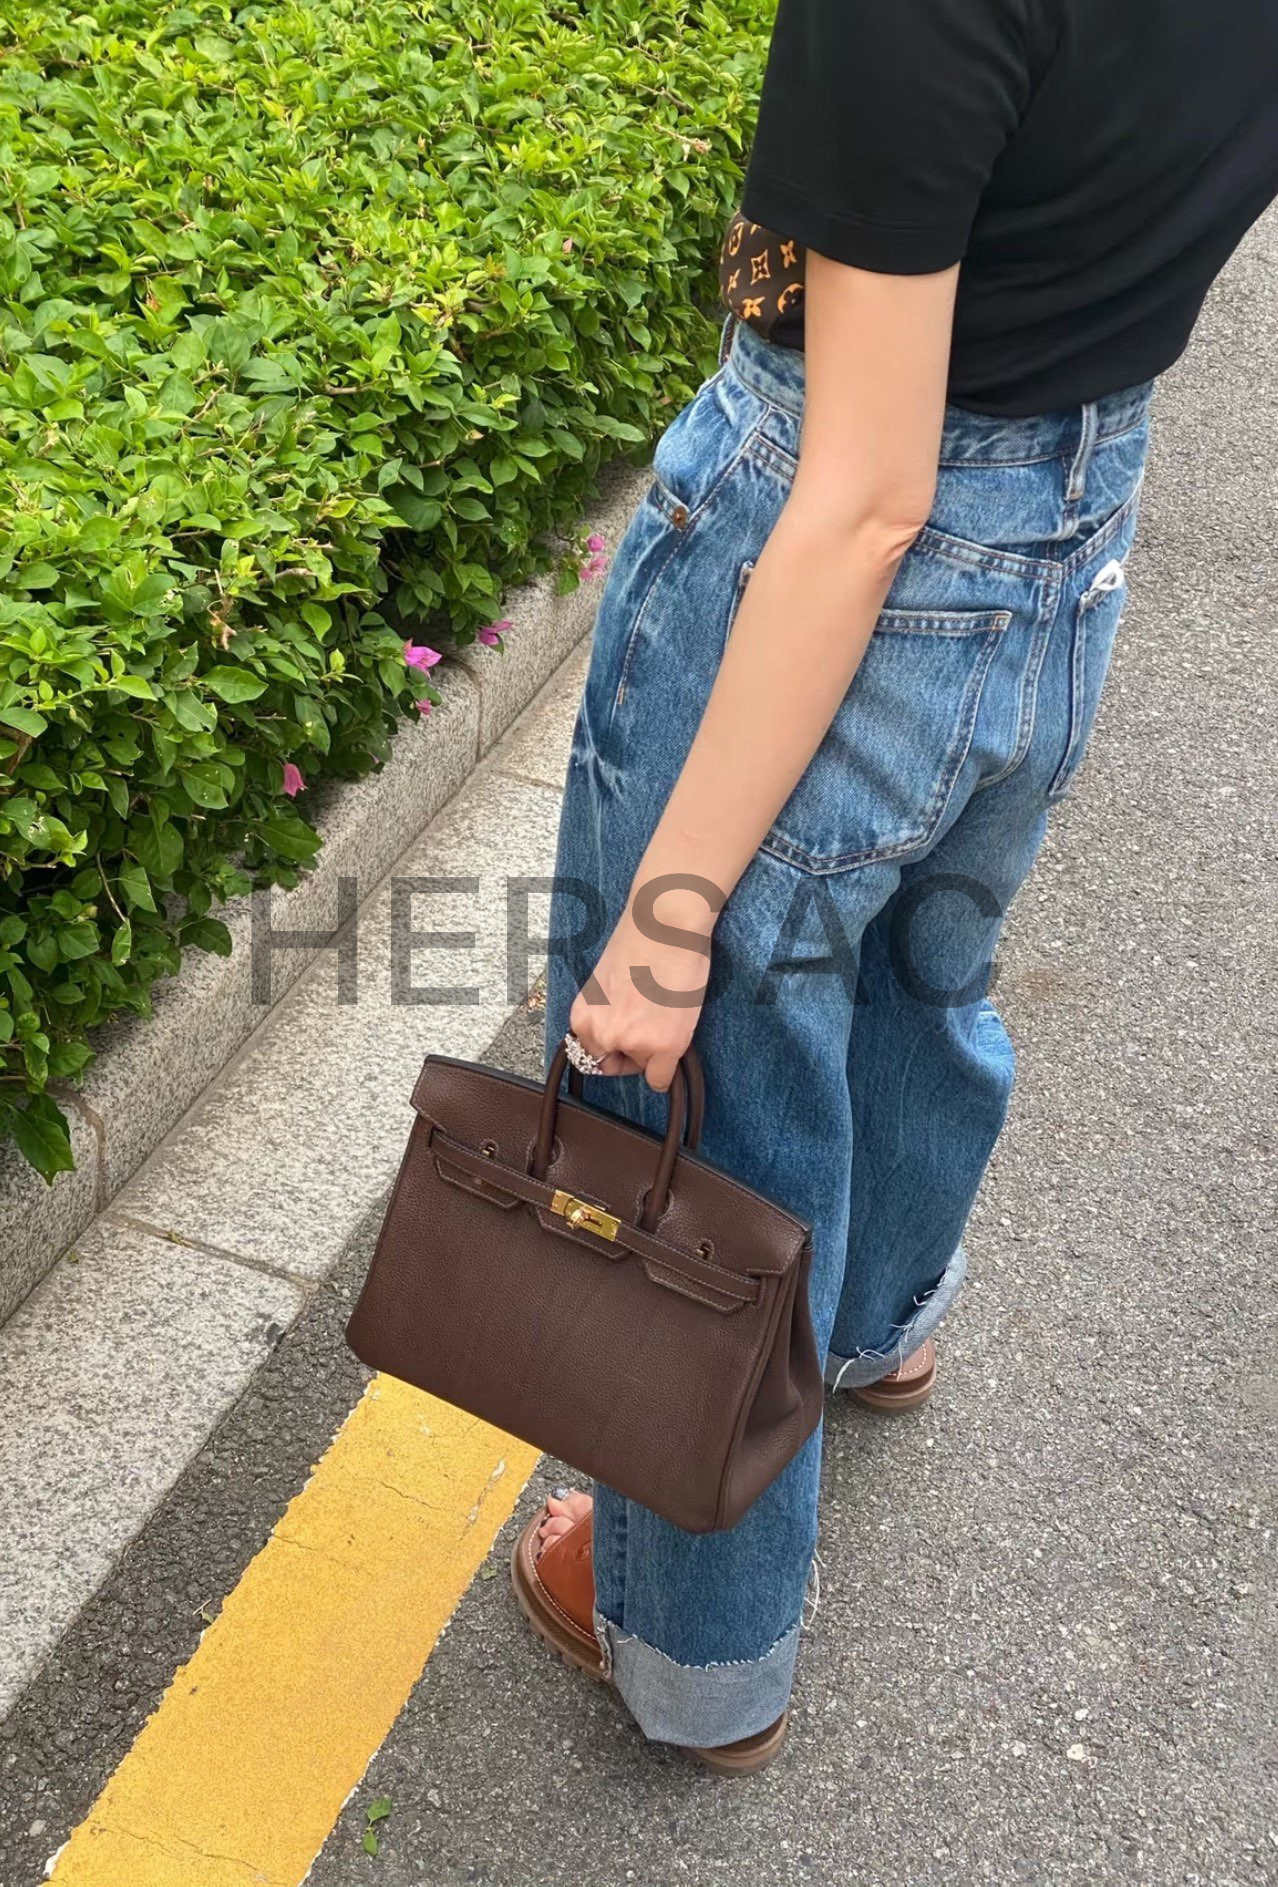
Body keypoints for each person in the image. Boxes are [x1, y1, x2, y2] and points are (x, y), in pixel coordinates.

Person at [511, 0, 1278, 1773]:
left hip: (839, 542)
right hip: (1080, 511)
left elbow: (864, 498)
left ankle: (697, 1648)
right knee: (922, 968)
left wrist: (664, 919)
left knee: (713, 1091)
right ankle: (872, 1331)